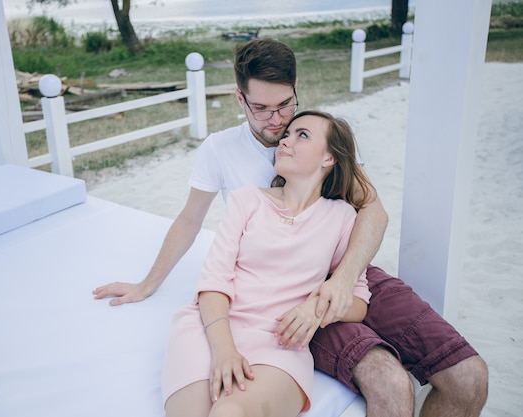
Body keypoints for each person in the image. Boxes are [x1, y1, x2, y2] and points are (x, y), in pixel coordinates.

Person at [93, 38, 488, 416]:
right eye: (262, 108)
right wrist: (147, 283)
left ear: (296, 88)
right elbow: (190, 219)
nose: (277, 120)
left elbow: (373, 210)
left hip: (346, 268)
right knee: (389, 382)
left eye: (285, 104)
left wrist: (340, 281)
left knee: (468, 378)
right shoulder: (222, 152)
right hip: (279, 291)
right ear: (240, 98)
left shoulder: (319, 137)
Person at [162, 110, 373, 417]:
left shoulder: (342, 217)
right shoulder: (246, 200)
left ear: (329, 158)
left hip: (279, 344)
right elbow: (213, 282)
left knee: (228, 412)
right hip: (210, 329)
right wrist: (224, 351)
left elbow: (358, 301)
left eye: (302, 135)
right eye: (286, 134)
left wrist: (314, 309)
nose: (285, 141)